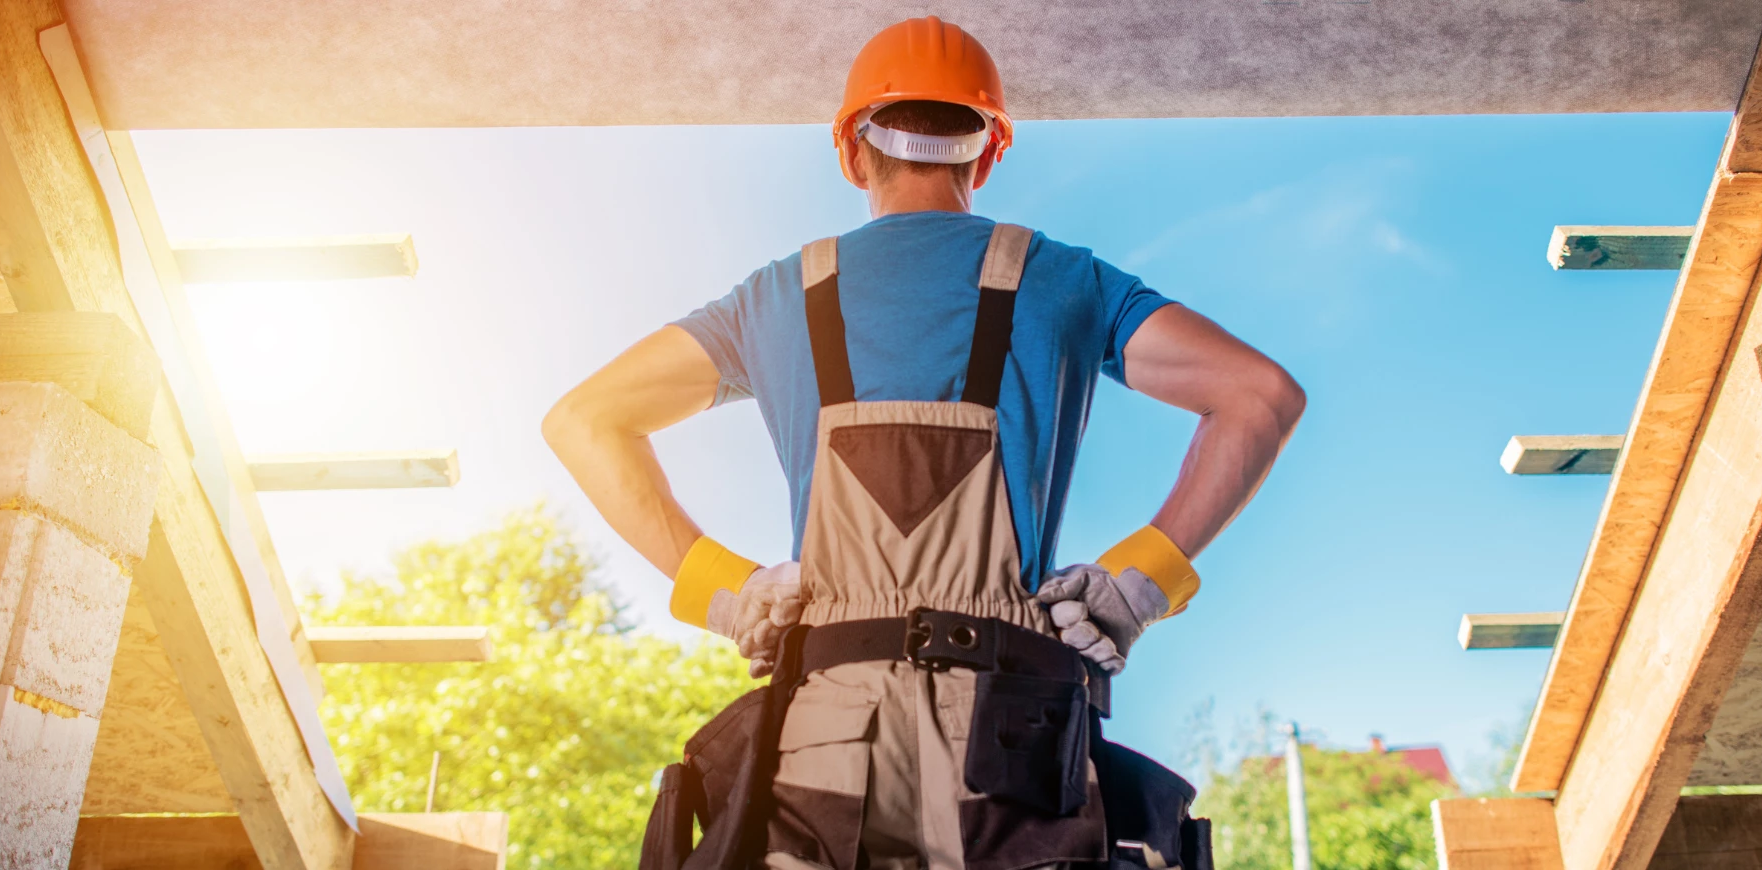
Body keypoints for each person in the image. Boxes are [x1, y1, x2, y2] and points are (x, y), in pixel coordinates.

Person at [544, 16, 1305, 870]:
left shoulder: (776, 298)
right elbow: (1260, 396)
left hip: (824, 731)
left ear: (851, 150)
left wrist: (727, 591)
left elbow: (584, 420)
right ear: (986, 155)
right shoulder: (1067, 280)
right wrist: (1135, 585)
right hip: (1012, 735)